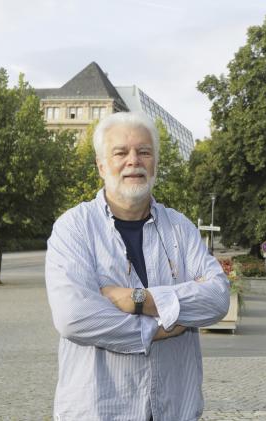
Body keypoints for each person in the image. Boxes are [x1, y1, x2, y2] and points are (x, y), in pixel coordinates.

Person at [45, 112, 230, 420]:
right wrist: (162, 327)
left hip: (174, 408)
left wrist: (136, 300)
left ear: (155, 163)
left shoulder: (180, 229)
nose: (134, 160)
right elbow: (74, 318)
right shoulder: (74, 229)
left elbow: (217, 298)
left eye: (144, 152)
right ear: (101, 166)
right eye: (121, 152)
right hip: (100, 410)